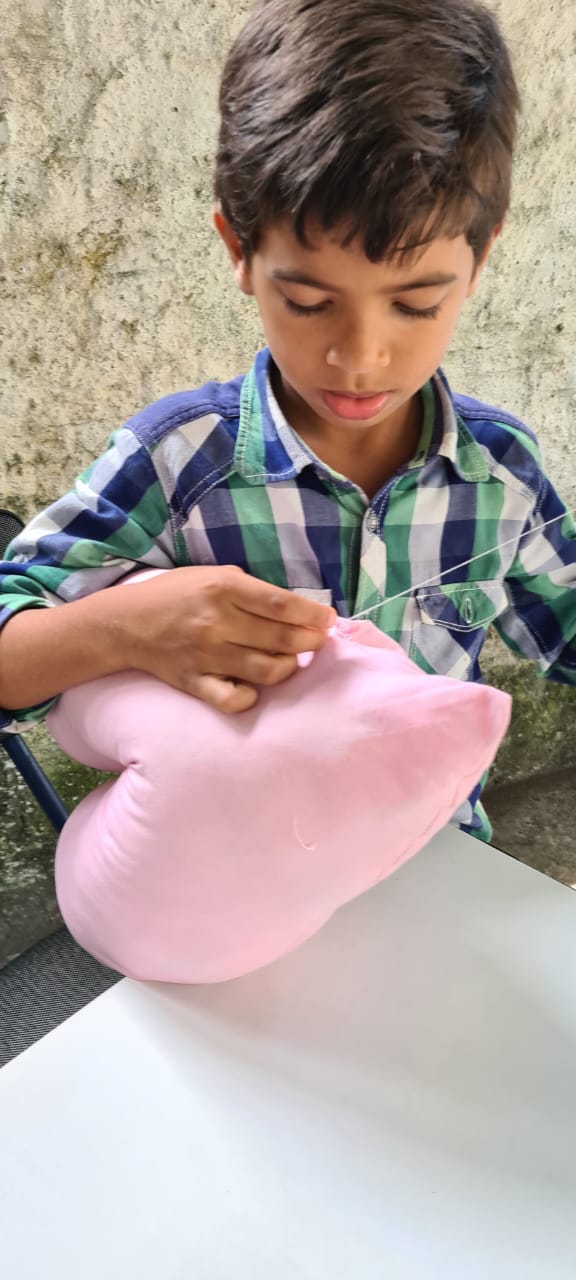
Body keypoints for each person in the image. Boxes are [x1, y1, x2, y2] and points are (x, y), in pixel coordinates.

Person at [1, 0, 575, 843]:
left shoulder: (501, 473)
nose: (360, 357)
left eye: (416, 304)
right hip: (236, 879)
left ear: (480, 259)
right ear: (239, 249)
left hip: (434, 868)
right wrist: (125, 629)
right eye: (308, 301)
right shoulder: (177, 463)